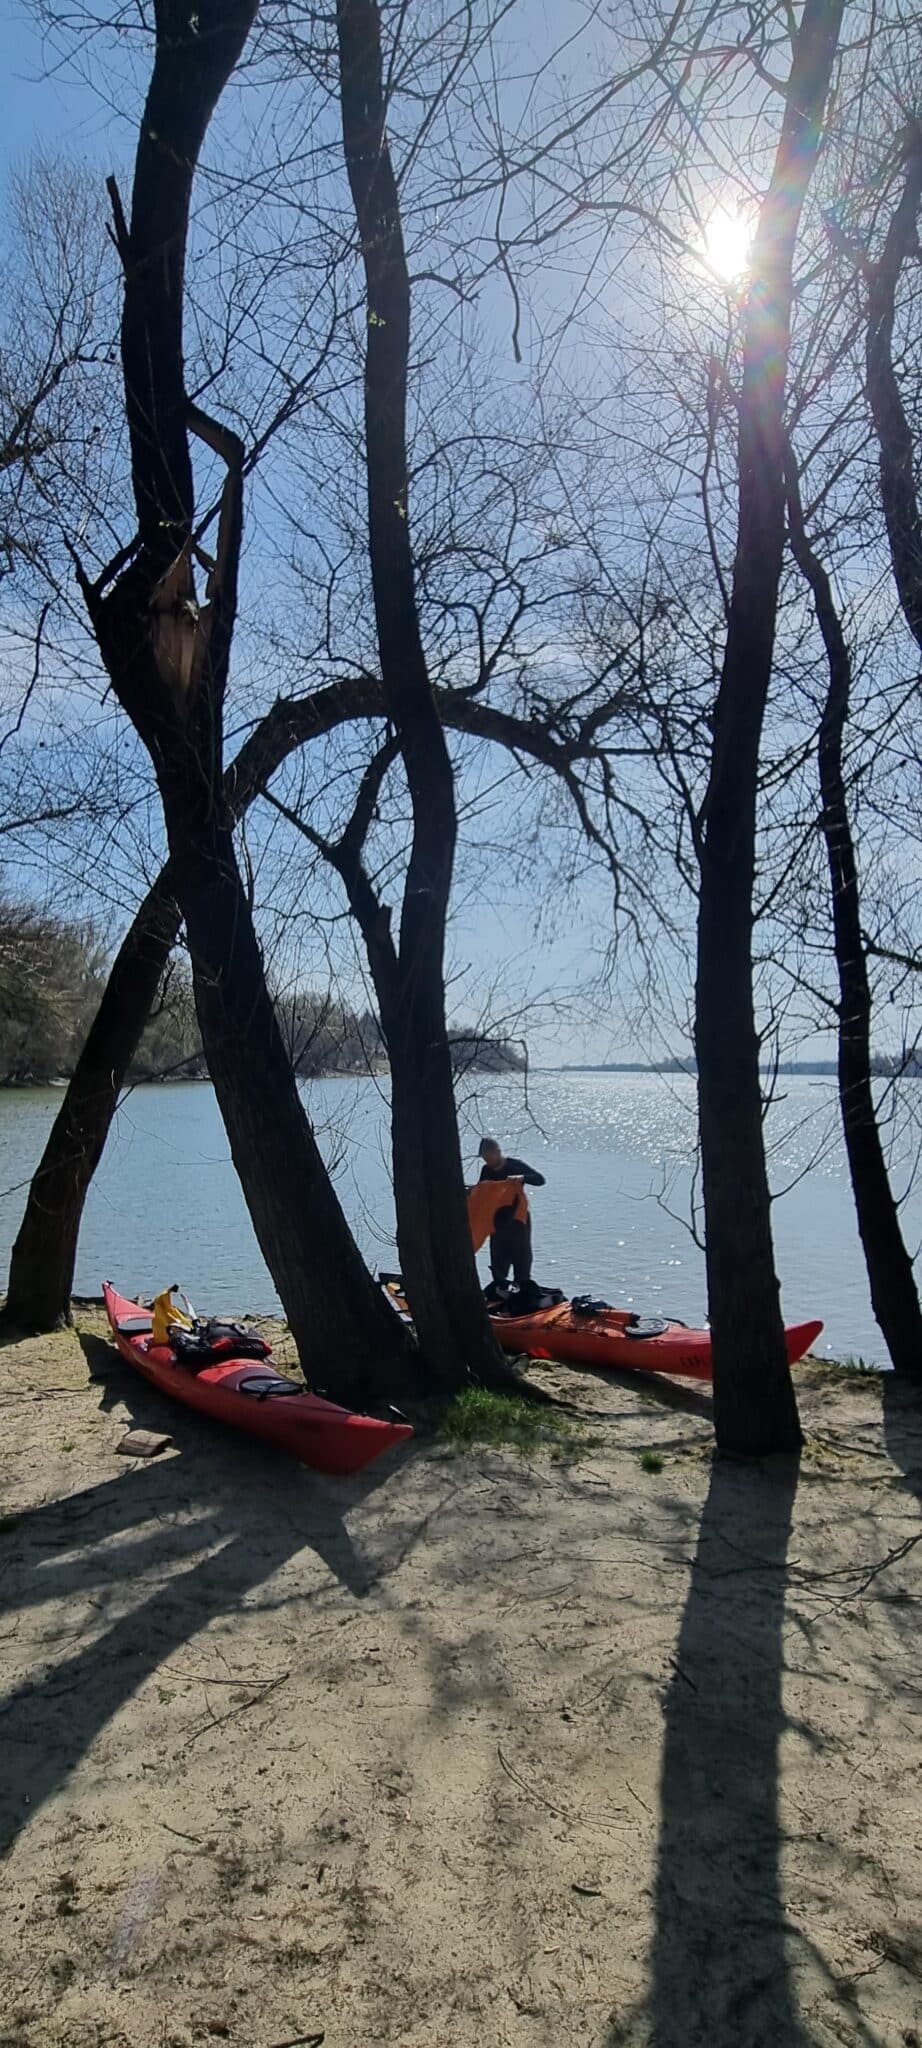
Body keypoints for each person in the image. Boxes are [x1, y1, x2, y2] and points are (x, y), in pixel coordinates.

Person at [477, 1136, 546, 1298]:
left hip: (518, 1222)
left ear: (498, 1152)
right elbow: (481, 1193)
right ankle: (501, 1301)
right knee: (498, 1268)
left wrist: (522, 1178)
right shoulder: (486, 1170)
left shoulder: (515, 1165)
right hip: (497, 1224)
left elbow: (540, 1180)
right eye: (485, 1159)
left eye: (490, 1158)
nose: (488, 1163)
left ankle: (524, 1299)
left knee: (522, 1265)